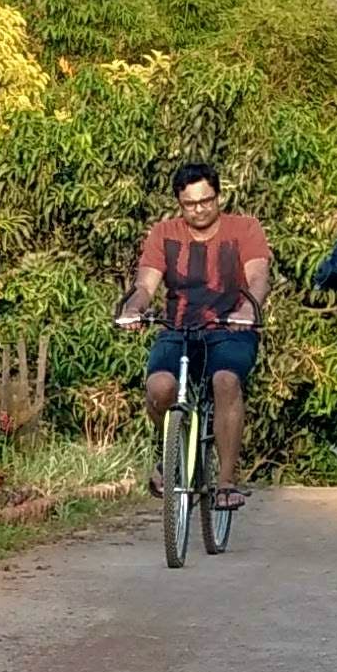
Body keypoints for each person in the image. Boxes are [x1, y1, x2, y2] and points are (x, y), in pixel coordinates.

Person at [114, 158, 271, 496]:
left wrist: (247, 308)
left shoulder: (245, 229)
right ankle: (172, 448)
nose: (199, 209)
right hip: (179, 327)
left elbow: (258, 276)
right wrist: (133, 309)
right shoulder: (164, 233)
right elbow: (145, 286)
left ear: (218, 196)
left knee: (225, 380)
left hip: (230, 328)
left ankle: (226, 483)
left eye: (206, 200)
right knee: (159, 388)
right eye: (190, 204)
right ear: (179, 203)